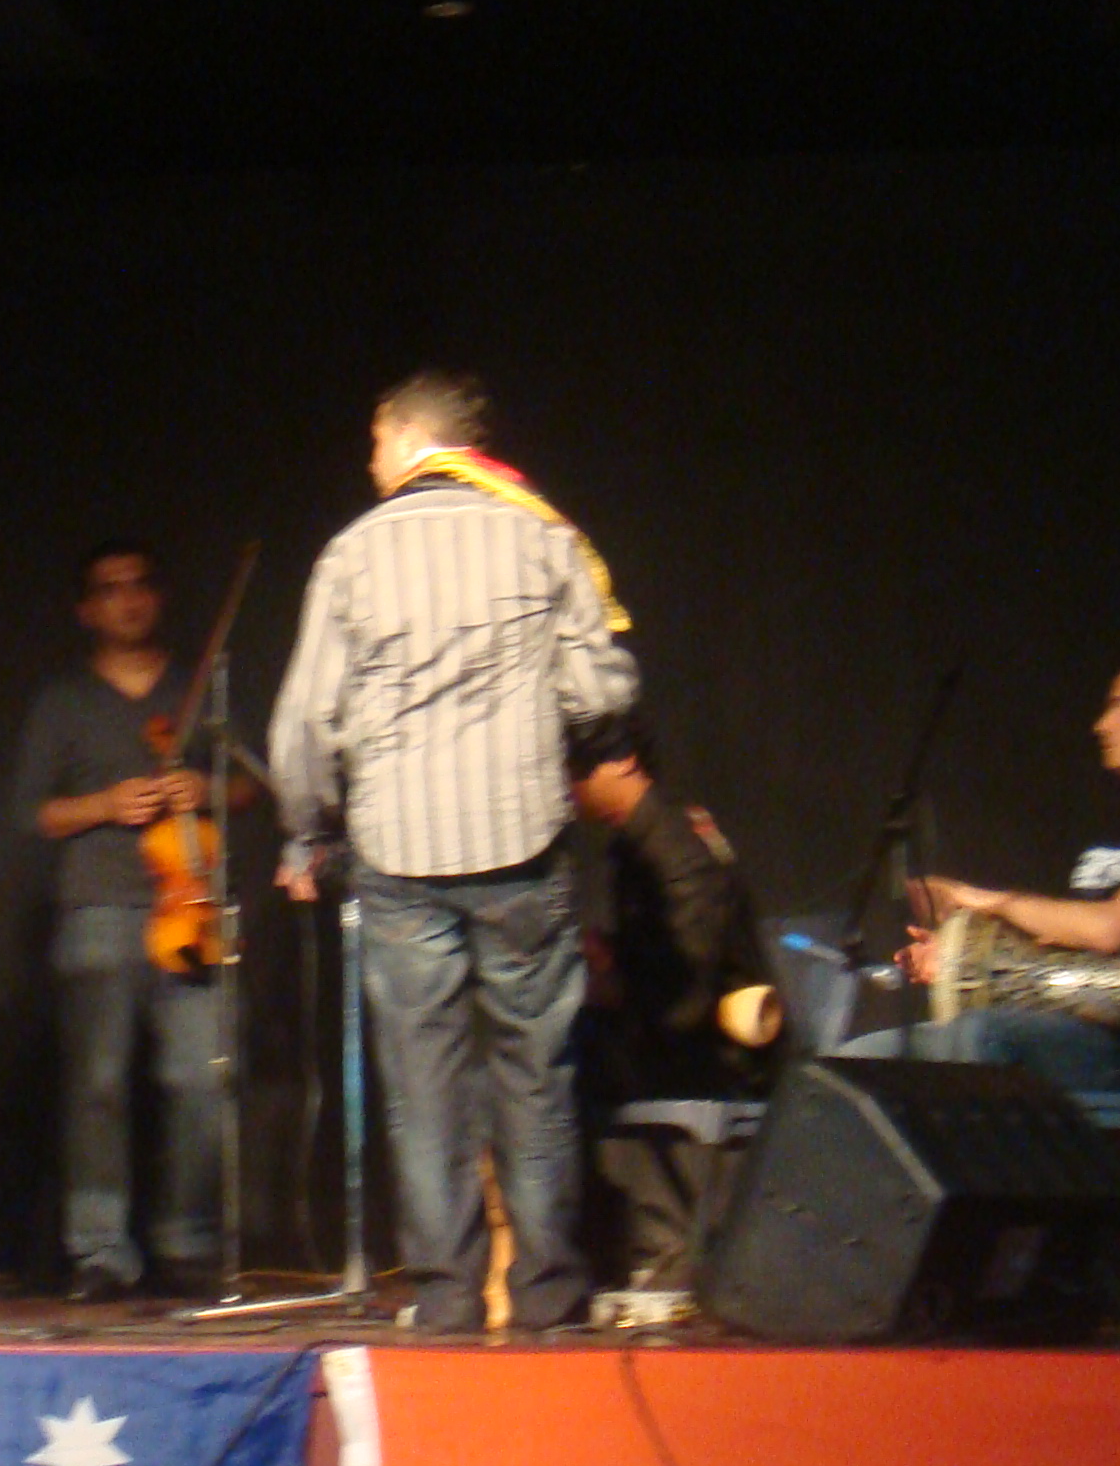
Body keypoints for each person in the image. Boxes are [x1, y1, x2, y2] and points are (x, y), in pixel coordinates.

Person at [270, 370, 639, 1334]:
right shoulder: (543, 535)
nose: (369, 461)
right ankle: (549, 1296)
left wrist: (310, 830)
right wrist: (552, 738)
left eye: (374, 441)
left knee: (424, 1082)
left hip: (400, 852)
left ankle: (445, 1299)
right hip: (523, 840)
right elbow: (603, 690)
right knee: (536, 1070)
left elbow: (305, 723)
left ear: (405, 437)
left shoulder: (353, 552)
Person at [848, 646, 1120, 1091]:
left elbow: (1109, 930)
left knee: (981, 1036)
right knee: (857, 1061)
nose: (1102, 724)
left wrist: (988, 901)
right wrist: (960, 958)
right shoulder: (1114, 831)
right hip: (1058, 1023)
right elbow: (1061, 951)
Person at [11, 542, 239, 1302]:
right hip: (98, 908)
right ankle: (100, 1250)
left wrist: (206, 786)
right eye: (110, 589)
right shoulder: (64, 700)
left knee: (200, 1080)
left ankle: (186, 1241)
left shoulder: (197, 688)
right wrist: (106, 805)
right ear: (87, 610)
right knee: (97, 1086)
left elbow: (251, 787)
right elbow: (31, 812)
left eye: (140, 585)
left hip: (192, 909)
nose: (129, 599)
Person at [571, 728, 778, 1325]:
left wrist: (613, 984)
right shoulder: (640, 842)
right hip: (679, 1024)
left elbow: (687, 990)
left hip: (716, 1044)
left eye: (579, 771)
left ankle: (662, 1256)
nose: (569, 787)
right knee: (563, 1044)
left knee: (565, 1056)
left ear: (624, 763)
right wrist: (610, 961)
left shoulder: (675, 848)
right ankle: (613, 1253)